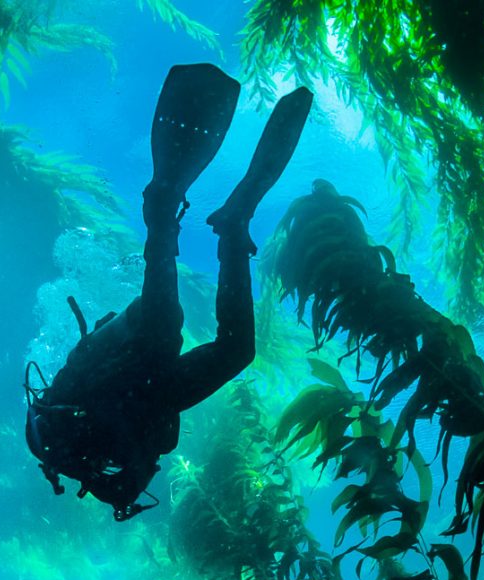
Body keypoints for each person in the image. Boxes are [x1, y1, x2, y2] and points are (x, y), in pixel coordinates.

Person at [25, 64, 312, 521]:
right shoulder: (95, 464)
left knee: (163, 325)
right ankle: (233, 224)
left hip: (129, 357)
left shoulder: (65, 445)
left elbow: (108, 425)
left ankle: (162, 205)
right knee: (237, 351)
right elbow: (136, 462)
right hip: (155, 390)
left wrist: (118, 477)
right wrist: (125, 481)